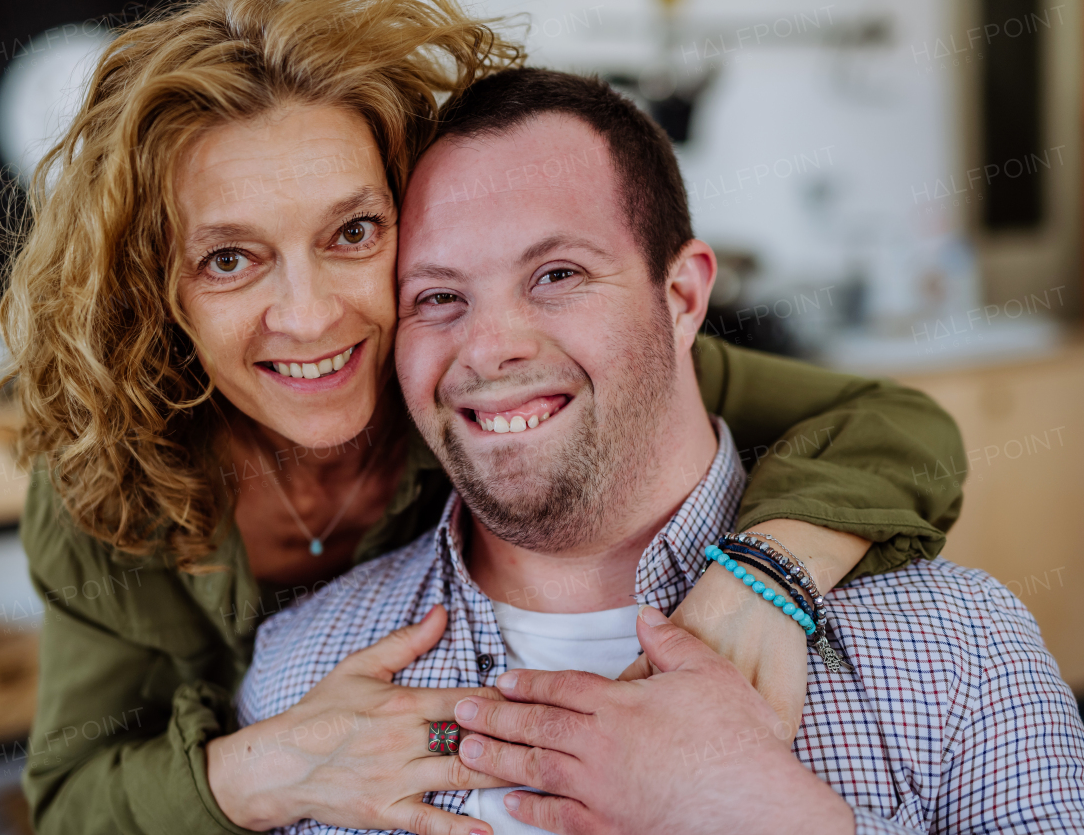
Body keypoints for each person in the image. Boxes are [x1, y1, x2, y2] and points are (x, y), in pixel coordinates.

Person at [0, 0, 969, 834]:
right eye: (228, 258)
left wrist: (764, 577)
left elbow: (892, 426)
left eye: (352, 231)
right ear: (156, 288)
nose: (305, 315)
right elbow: (73, 801)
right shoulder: (103, 479)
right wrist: (267, 767)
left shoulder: (487, 384)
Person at [235, 67, 1084, 835]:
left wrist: (766, 816)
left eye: (557, 274)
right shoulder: (297, 681)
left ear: (681, 298)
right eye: (438, 295)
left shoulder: (962, 650)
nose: (490, 347)